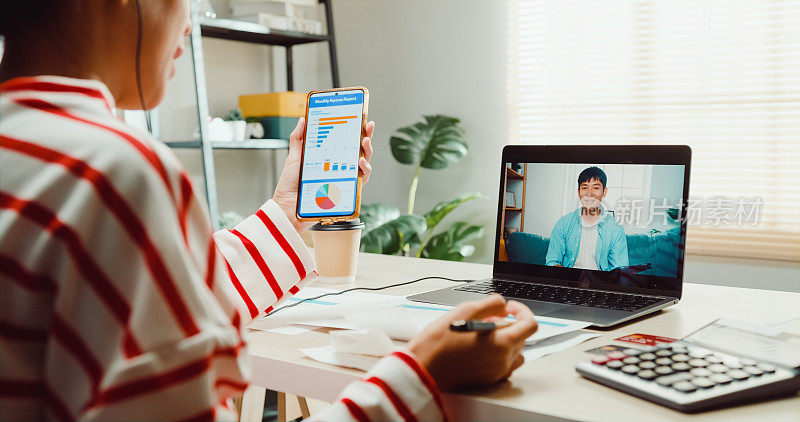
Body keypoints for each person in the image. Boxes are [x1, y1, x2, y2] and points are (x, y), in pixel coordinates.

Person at [0, 1, 538, 421]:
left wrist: (290, 209)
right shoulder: (114, 173)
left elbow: (140, 292)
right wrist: (420, 375)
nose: (189, 23)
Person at [545, 166, 629, 271]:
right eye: (585, 187)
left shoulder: (615, 228)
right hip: (569, 281)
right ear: (579, 191)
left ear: (604, 191)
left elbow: (619, 269)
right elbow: (552, 262)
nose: (589, 193)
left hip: (600, 284)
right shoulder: (563, 224)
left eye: (596, 187)